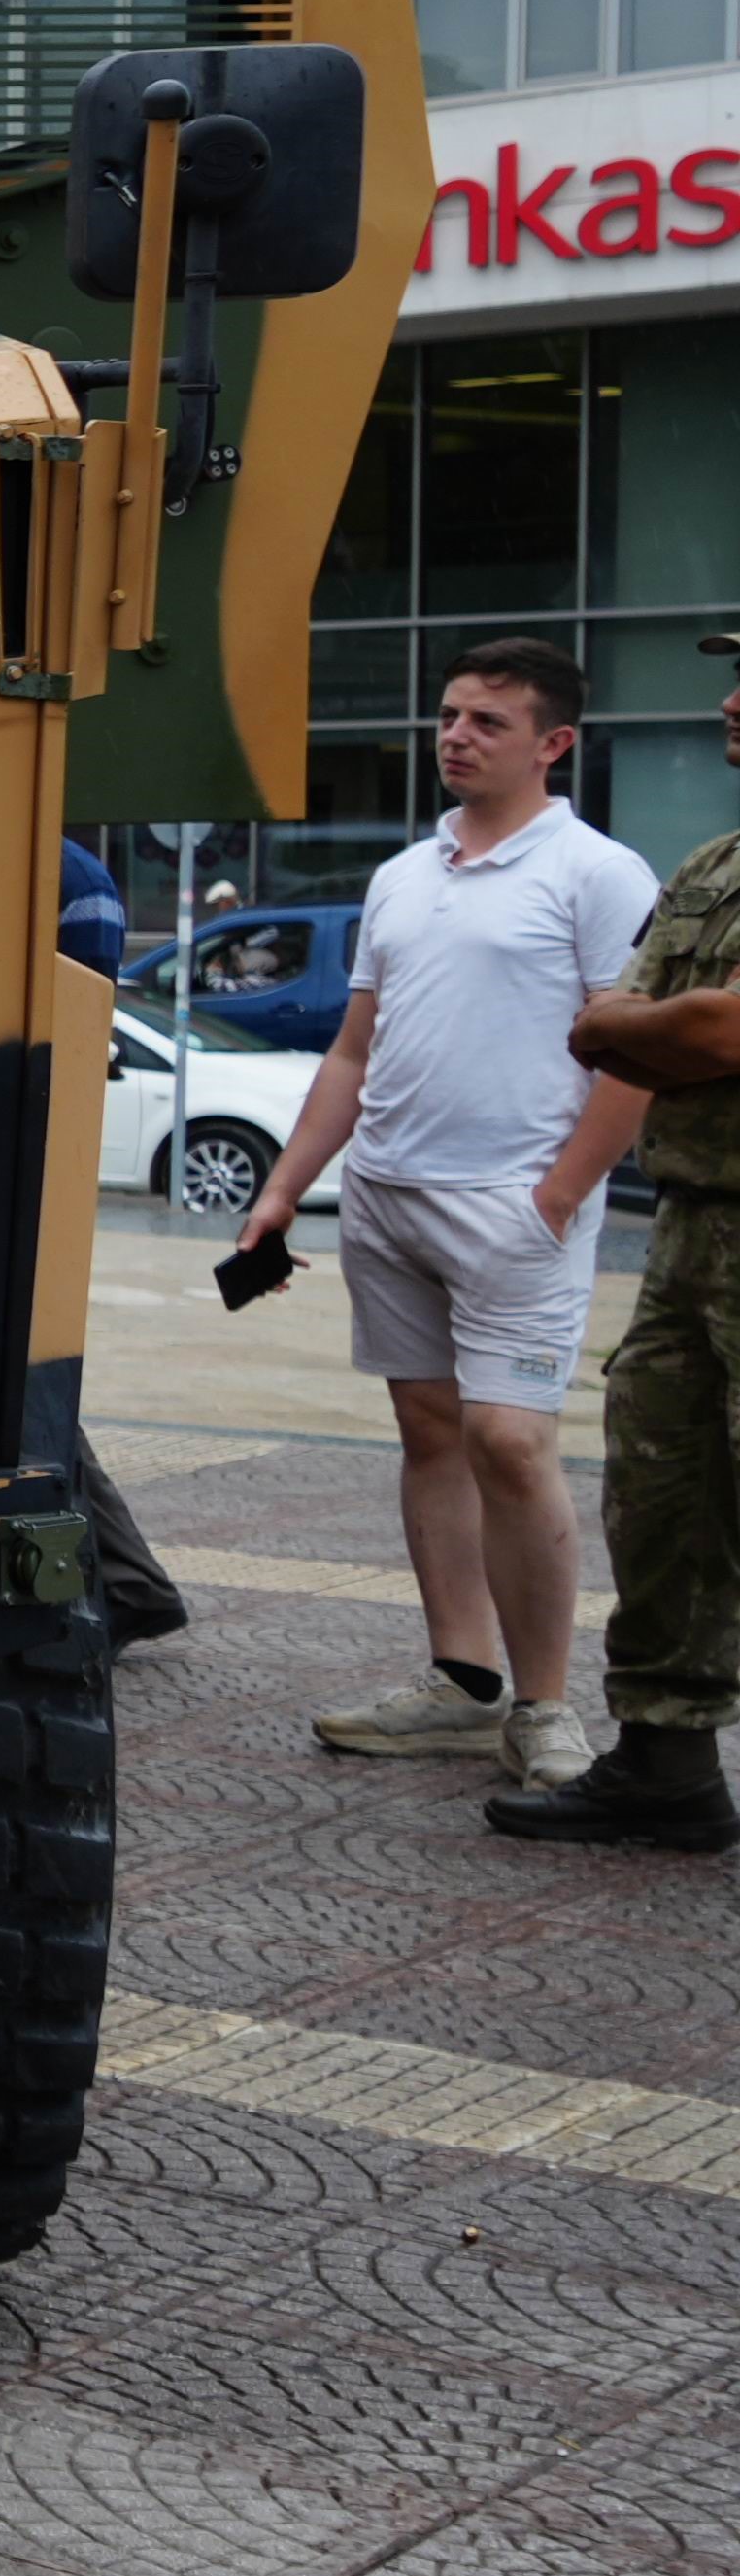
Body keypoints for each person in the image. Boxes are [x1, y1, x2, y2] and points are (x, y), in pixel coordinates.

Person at [238, 640, 660, 1782]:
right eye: (451, 715)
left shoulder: (598, 872)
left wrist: (561, 1196)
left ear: (553, 743)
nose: (457, 735)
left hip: (515, 1207)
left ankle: (546, 1707)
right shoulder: (401, 875)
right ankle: (463, 1680)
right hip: (387, 1199)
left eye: (487, 721)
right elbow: (354, 1051)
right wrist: (285, 1188)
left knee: (512, 1442)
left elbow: (634, 1056)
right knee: (430, 1432)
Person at [537, 635, 740, 1855]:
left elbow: (710, 1031)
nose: (727, 700)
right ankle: (666, 1762)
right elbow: (597, 1029)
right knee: (665, 1499)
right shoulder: (717, 865)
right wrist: (676, 1027)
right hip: (691, 1233)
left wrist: (668, 1027)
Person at [50, 839, 188, 1647]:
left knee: (16, 1385)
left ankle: (130, 1584)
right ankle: (132, 1582)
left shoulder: (72, 877)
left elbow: (82, 1024)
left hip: (7, 1149)